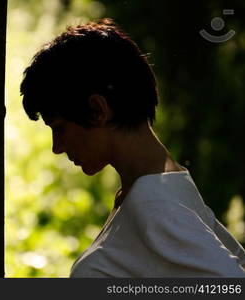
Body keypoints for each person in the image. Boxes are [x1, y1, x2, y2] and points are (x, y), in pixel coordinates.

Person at [20, 18, 245, 277]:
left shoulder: (155, 203)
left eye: (59, 128)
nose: (56, 147)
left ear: (98, 110)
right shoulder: (162, 186)